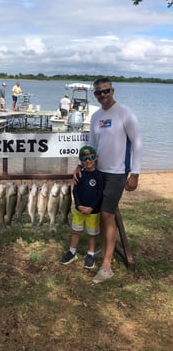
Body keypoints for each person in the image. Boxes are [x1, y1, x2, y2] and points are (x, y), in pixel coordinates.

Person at [73, 77, 142, 283]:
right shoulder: (95, 116)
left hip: (117, 172)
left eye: (106, 91)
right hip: (97, 172)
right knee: (100, 214)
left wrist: (135, 174)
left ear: (113, 91)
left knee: (106, 215)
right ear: (94, 94)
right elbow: (90, 146)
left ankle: (106, 266)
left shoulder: (125, 113)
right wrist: (80, 164)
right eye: (98, 93)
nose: (102, 95)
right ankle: (105, 248)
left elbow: (137, 143)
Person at [62, 145, 104, 269]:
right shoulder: (79, 175)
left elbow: (99, 194)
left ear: (95, 158)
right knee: (76, 231)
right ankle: (72, 252)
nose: (88, 161)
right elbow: (75, 191)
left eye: (91, 157)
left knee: (92, 234)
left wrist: (91, 207)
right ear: (81, 161)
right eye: (84, 159)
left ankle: (90, 255)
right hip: (79, 211)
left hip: (93, 212)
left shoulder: (99, 176)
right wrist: (78, 205)